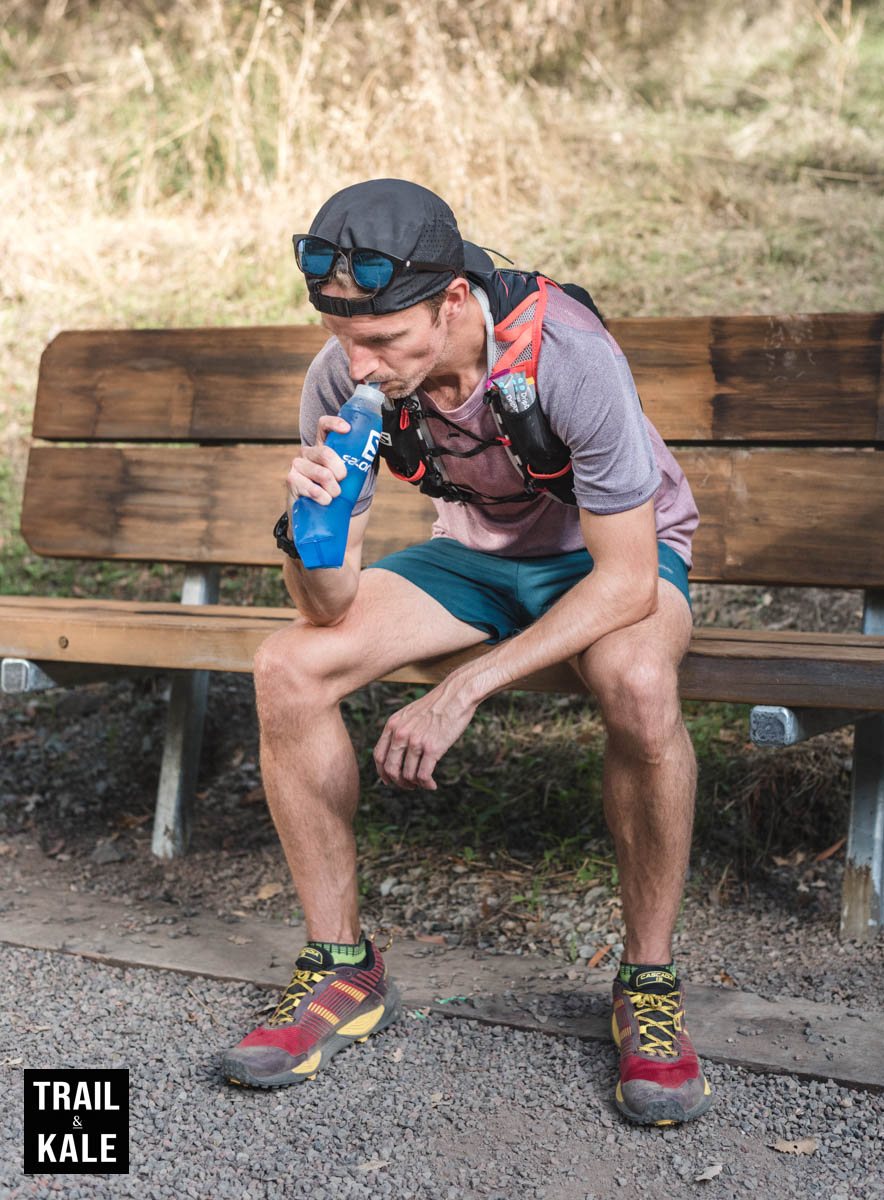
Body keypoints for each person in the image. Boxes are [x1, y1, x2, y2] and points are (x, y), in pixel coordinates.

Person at [222, 179, 711, 1126]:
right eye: (341, 335)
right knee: (288, 666)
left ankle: (648, 987)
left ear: (452, 303)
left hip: (608, 559)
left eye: (383, 342)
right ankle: (341, 969)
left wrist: (464, 688)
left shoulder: (567, 353)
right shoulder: (343, 375)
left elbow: (624, 580)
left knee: (641, 684)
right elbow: (325, 610)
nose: (358, 364)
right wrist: (306, 529)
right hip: (477, 560)